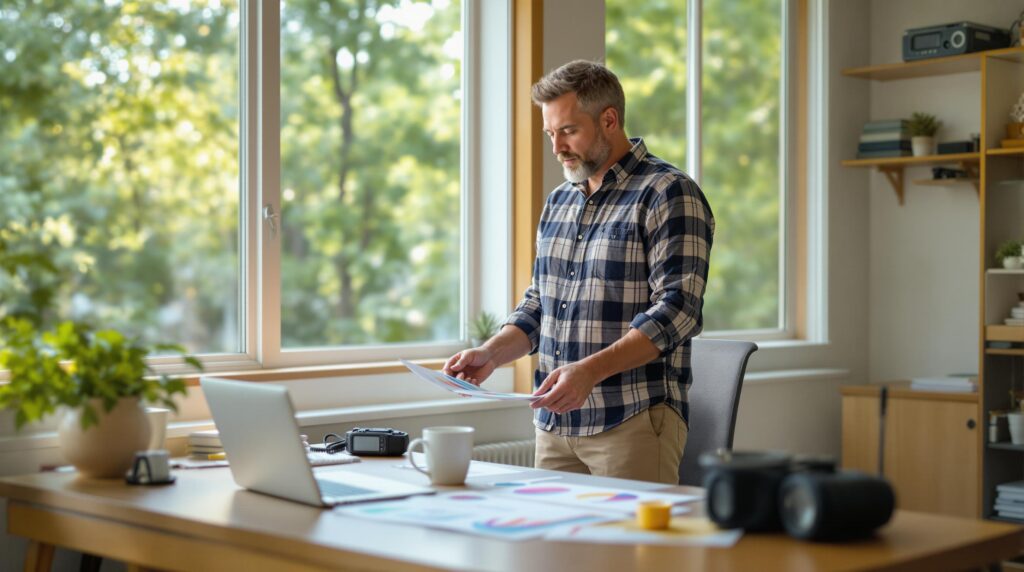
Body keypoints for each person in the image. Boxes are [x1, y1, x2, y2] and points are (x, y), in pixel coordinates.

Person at [443, 60, 714, 485]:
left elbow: (678, 312)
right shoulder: (559, 202)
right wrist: (491, 354)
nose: (557, 148)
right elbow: (540, 304)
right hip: (555, 427)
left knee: (627, 553)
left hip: (632, 421)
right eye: (550, 133)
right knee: (552, 551)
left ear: (609, 120)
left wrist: (588, 372)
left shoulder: (668, 193)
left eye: (567, 131)